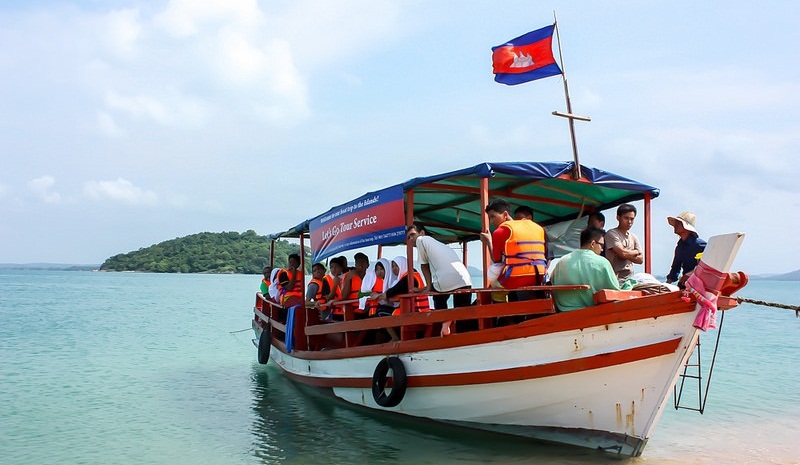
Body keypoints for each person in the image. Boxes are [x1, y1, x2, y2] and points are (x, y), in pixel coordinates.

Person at [479, 198, 547, 300]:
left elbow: (496, 259)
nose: (492, 221)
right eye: (490, 218)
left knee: (495, 290)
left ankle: (500, 314)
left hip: (517, 277)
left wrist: (489, 241)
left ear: (505, 215)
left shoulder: (500, 231)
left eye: (493, 217)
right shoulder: (536, 227)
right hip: (540, 275)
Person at [550, 228, 628, 311]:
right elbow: (615, 291)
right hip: (591, 314)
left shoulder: (562, 261)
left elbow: (552, 283)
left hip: (563, 313)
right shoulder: (602, 262)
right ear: (593, 243)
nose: (602, 250)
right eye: (601, 245)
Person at [406, 224, 472, 309]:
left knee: (438, 298)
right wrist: (427, 287)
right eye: (409, 237)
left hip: (447, 281)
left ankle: (443, 321)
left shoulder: (420, 240)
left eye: (413, 234)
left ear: (422, 233)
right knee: (462, 316)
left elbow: (424, 266)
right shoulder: (439, 244)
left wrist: (428, 288)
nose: (411, 239)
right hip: (466, 281)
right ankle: (449, 321)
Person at [666, 211, 707, 288]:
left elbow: (708, 266)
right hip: (686, 285)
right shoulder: (679, 247)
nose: (675, 225)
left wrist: (692, 273)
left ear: (686, 227)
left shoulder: (700, 245)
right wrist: (666, 285)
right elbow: (675, 268)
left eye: (678, 223)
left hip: (700, 287)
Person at [604, 203, 643, 283]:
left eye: (632, 219)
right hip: (615, 279)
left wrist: (625, 252)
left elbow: (641, 259)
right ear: (618, 218)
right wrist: (635, 252)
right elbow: (622, 253)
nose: (629, 222)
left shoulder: (633, 237)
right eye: (626, 218)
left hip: (630, 278)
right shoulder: (612, 233)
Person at [340, 252, 369, 318]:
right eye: (357, 262)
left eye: (362, 261)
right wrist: (348, 279)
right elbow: (343, 296)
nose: (360, 264)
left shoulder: (371, 277)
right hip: (353, 311)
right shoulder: (348, 276)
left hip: (369, 309)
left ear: (367, 265)